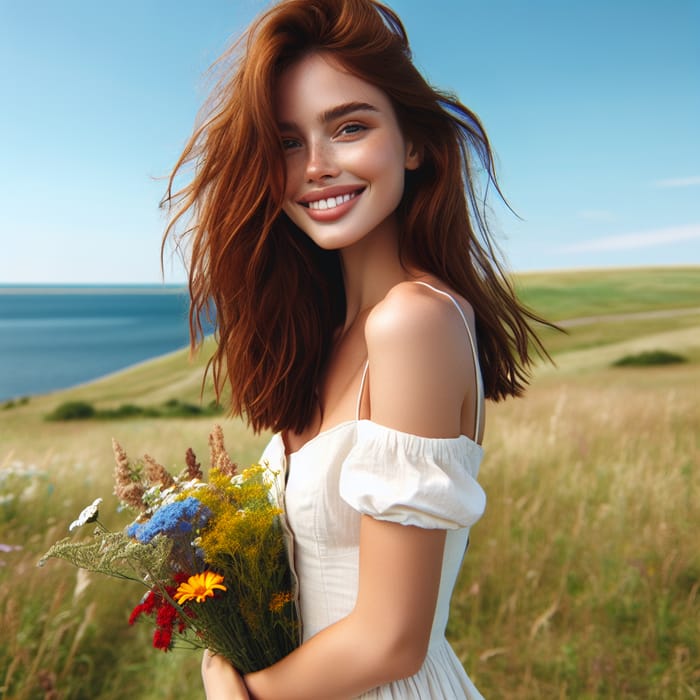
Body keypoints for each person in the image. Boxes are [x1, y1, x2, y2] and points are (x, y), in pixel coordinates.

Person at [163, 1, 548, 697]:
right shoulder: (335, 331)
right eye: (287, 142)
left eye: (348, 127)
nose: (316, 167)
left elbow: (393, 639)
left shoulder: (413, 322)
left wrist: (244, 692)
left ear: (414, 143)